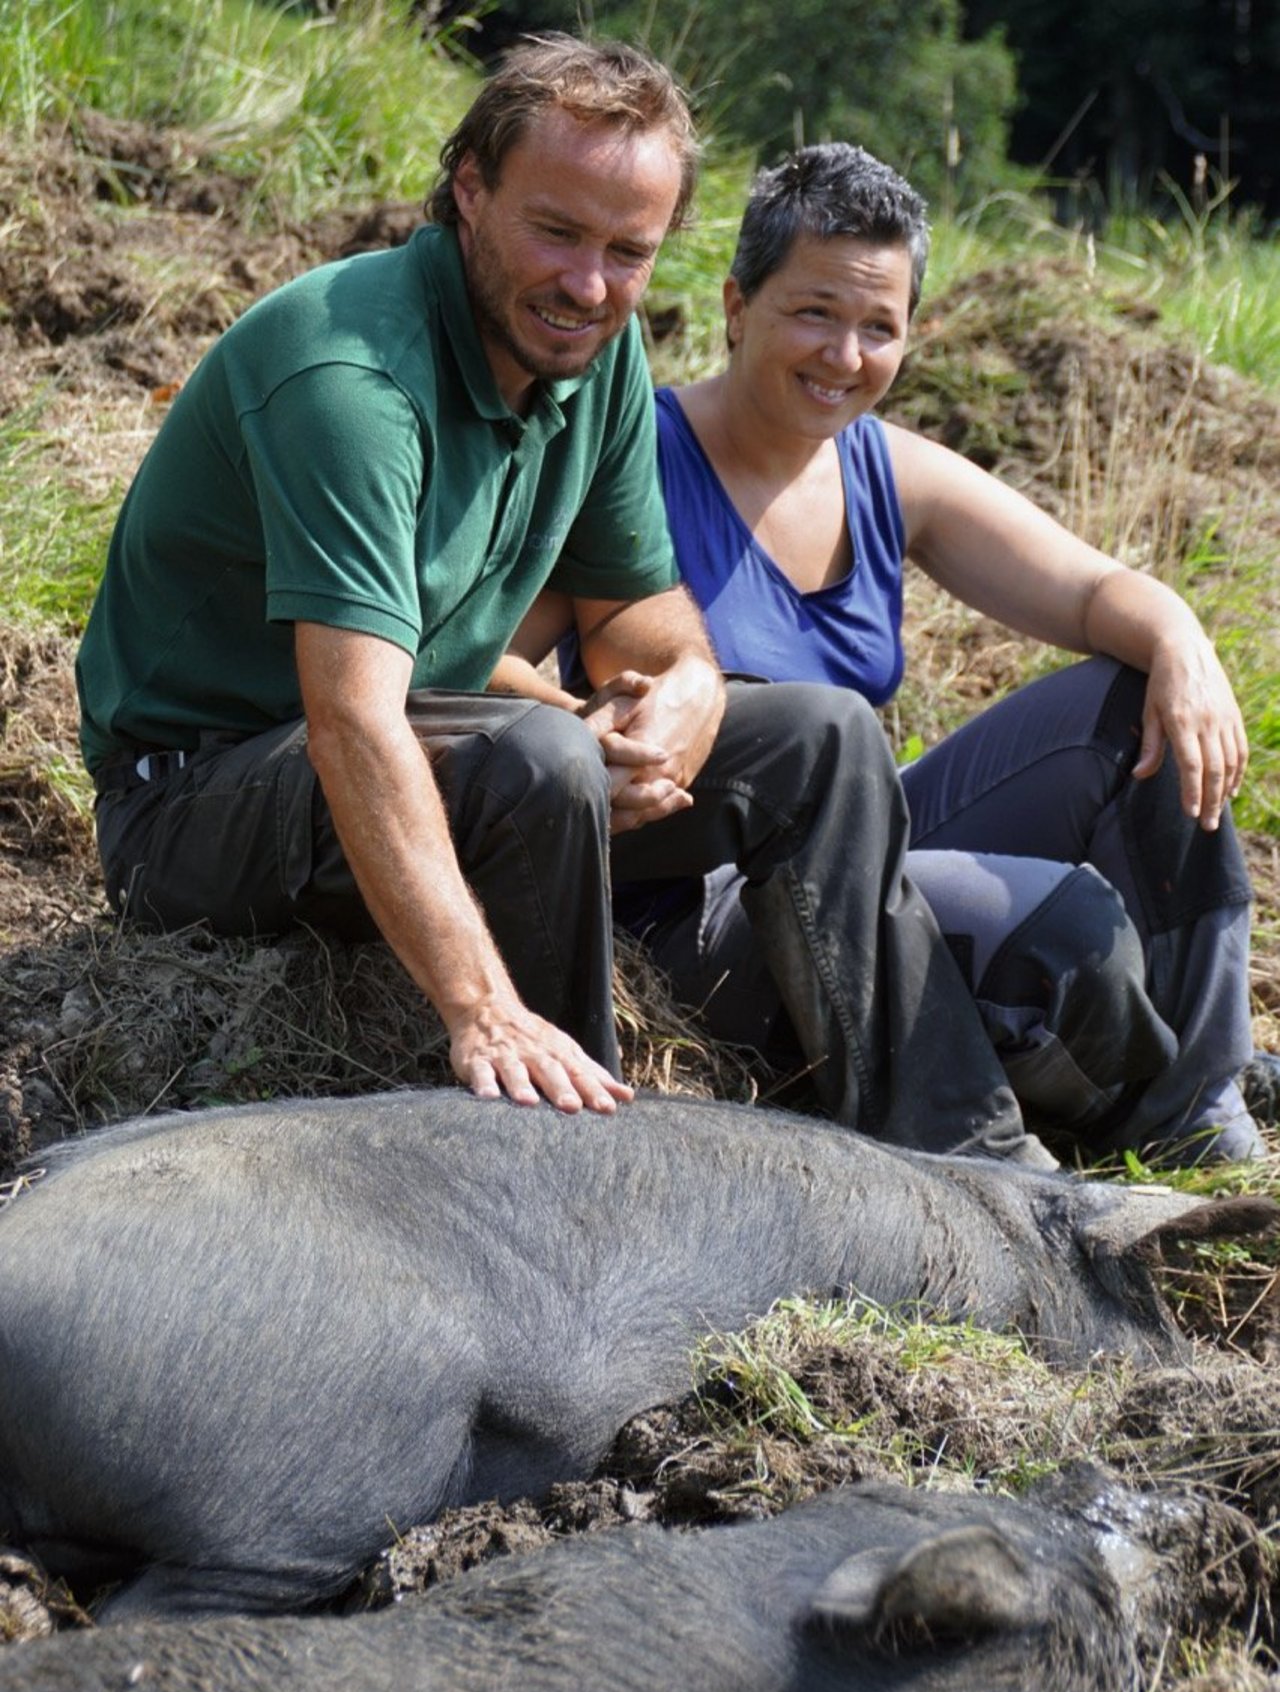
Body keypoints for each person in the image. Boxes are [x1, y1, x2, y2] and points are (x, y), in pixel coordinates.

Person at [74, 39, 1053, 1162]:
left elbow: (634, 610)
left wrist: (683, 689)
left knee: (820, 736)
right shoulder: (351, 379)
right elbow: (350, 719)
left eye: (625, 251)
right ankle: (572, 1167)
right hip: (194, 800)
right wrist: (478, 1006)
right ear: (469, 190)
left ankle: (956, 1154)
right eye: (556, 232)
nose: (588, 284)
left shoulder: (598, 356)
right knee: (536, 759)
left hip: (418, 741)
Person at [528, 141, 1270, 1161]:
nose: (843, 356)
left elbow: (1096, 589)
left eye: (878, 327)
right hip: (698, 902)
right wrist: (587, 736)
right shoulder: (629, 466)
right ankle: (1033, 1122)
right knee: (1060, 937)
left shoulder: (887, 472)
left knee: (1133, 697)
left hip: (862, 850)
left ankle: (1196, 1113)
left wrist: (1181, 639)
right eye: (814, 312)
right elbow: (492, 663)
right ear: (736, 306)